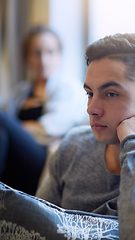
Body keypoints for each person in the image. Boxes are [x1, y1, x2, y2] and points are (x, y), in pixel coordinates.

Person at [36, 32, 135, 239]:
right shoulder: (73, 146)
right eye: (90, 93)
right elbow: (33, 226)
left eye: (110, 94)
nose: (91, 109)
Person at [0, 25, 88, 195]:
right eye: (36, 53)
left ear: (60, 55)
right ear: (27, 58)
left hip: (43, 159)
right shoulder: (22, 91)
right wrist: (21, 126)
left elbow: (47, 131)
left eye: (50, 52)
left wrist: (19, 127)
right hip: (17, 159)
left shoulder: (68, 87)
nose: (43, 60)